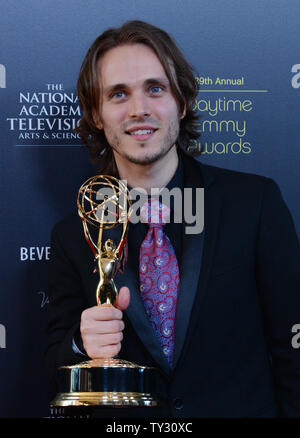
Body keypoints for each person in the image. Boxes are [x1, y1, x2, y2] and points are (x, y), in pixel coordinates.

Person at [45, 20, 300, 418]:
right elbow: (52, 366)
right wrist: (81, 342)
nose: (138, 109)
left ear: (181, 102)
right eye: (117, 94)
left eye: (155, 88)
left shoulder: (255, 204)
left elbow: (292, 350)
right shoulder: (75, 234)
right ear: (96, 114)